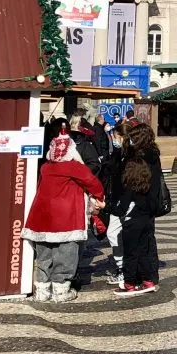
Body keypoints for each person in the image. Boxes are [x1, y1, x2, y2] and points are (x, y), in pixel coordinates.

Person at [22, 127, 105, 303]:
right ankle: (61, 288)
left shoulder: (46, 167)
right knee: (66, 252)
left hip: (42, 215)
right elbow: (93, 183)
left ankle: (42, 289)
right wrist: (98, 197)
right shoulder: (73, 167)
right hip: (66, 216)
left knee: (44, 253)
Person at [107, 122, 163, 291]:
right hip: (147, 207)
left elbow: (131, 187)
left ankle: (130, 281)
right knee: (145, 245)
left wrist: (109, 206)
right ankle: (148, 279)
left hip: (137, 206)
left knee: (133, 247)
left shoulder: (140, 159)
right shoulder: (152, 154)